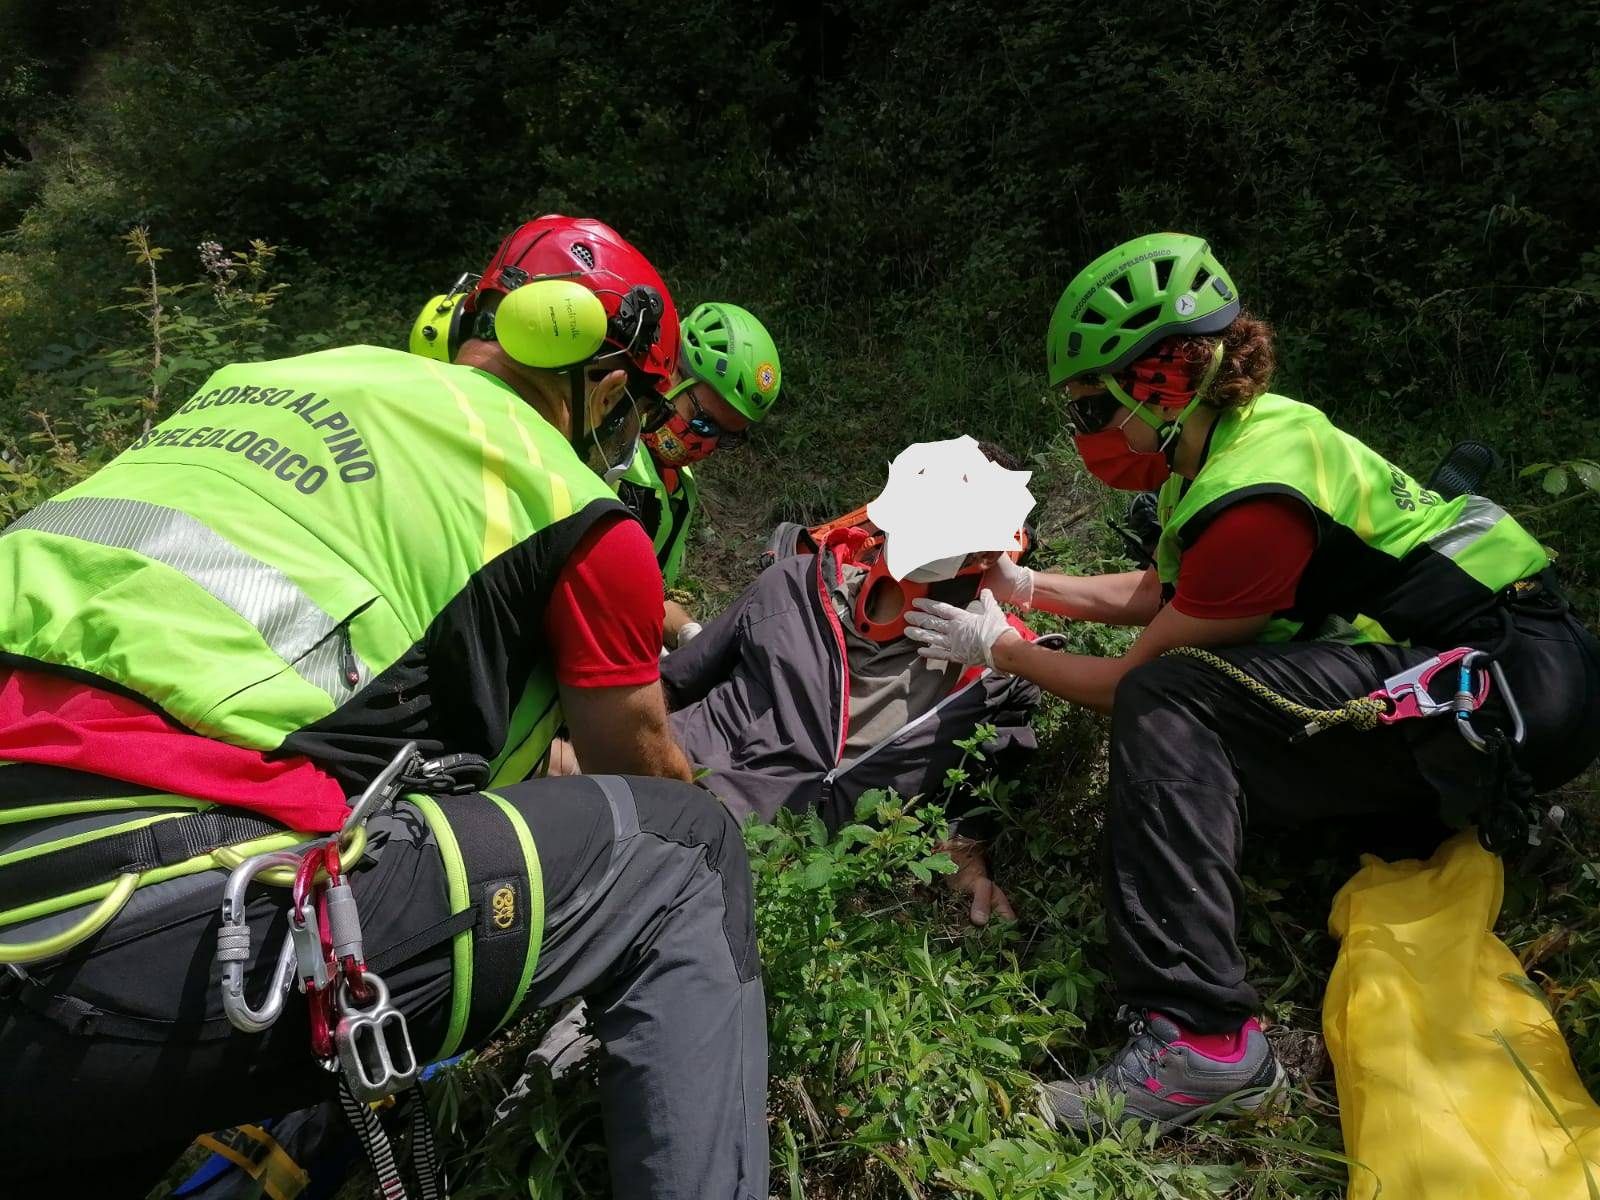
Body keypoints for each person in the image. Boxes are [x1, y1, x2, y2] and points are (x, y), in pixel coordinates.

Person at [0, 216, 768, 1199]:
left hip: (55, 916)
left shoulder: (264, 382)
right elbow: (639, 764)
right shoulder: (568, 500)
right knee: (690, 852)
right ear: (609, 387)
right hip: (132, 908)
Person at [904, 232, 1600, 1130]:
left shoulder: (1253, 502)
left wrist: (1000, 648)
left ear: (1161, 383)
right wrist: (1029, 587)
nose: (1085, 436)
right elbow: (1174, 592)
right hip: (1496, 668)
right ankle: (1448, 806)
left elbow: (1130, 681)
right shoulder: (1237, 441)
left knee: (1172, 702)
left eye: (1093, 409)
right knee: (1211, 710)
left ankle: (1204, 1042)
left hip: (1509, 689)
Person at [663, 437, 1044, 925]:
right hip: (673, 791)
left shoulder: (997, 676)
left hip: (754, 877)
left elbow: (974, 793)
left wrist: (965, 861)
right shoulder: (793, 584)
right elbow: (672, 684)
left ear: (990, 553)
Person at [618, 301, 782, 645]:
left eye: (726, 437)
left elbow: (647, 594)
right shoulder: (609, 459)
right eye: (704, 422)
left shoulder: (677, 484)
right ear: (671, 373)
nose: (707, 444)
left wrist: (689, 633)